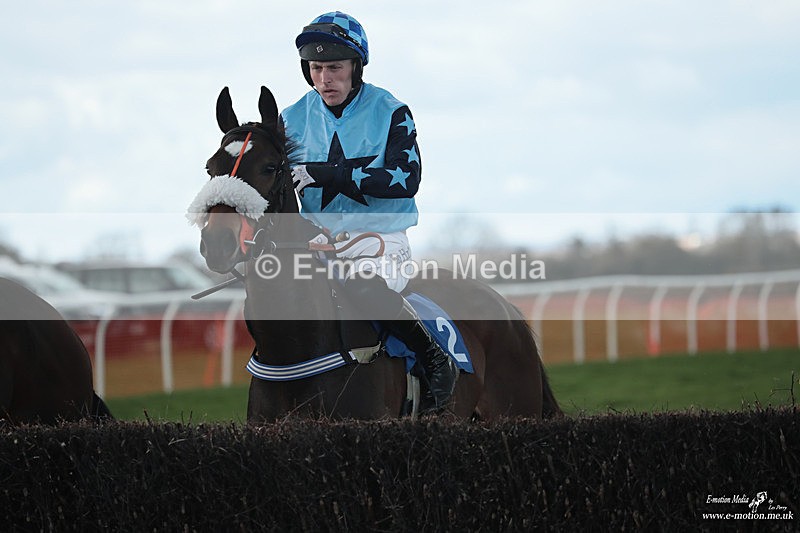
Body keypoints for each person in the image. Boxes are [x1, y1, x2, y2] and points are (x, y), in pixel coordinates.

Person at [280, 11, 457, 414]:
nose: (325, 79)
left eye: (335, 68)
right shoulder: (289, 120)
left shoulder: (393, 111)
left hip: (379, 242)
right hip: (315, 244)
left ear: (356, 67)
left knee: (360, 284)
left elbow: (404, 180)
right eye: (316, 68)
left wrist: (323, 173)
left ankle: (433, 358)